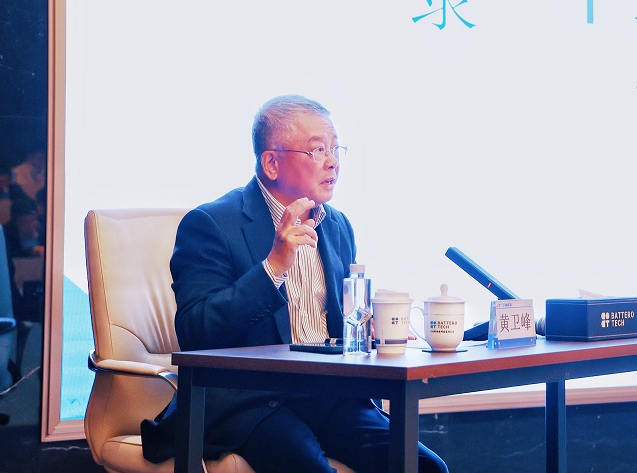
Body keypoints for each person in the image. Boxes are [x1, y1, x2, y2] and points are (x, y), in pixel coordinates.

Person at [141, 95, 448, 473]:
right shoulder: (211, 223)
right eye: (318, 150)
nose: (332, 162)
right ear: (271, 163)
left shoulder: (337, 225)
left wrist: (373, 331)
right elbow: (196, 331)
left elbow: (342, 320)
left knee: (424, 467)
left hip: (330, 396)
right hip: (252, 401)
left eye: (335, 149)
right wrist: (272, 267)